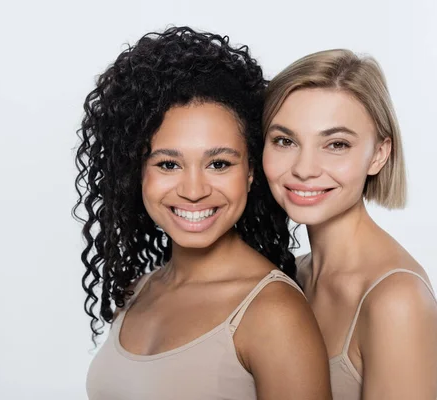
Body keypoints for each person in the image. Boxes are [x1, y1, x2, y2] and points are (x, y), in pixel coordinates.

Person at [75, 27, 331, 399]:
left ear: (250, 171)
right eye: (168, 165)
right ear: (137, 173)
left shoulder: (272, 313)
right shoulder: (137, 292)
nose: (194, 191)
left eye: (219, 164)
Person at [262, 49, 437, 399]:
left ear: (379, 154)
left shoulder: (396, 301)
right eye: (285, 141)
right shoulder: (293, 276)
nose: (304, 168)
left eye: (336, 144)